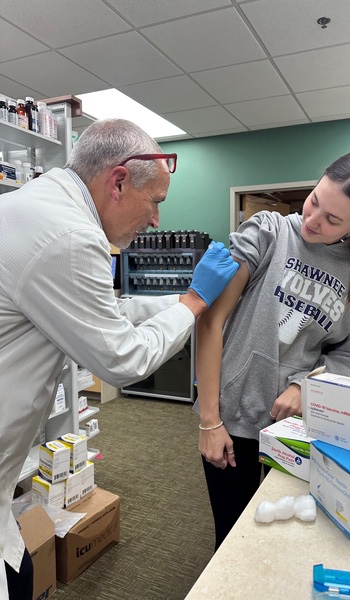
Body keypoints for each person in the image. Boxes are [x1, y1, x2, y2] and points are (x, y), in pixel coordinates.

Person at [0, 118, 238, 600]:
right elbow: (123, 359)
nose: (156, 221)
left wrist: (183, 298)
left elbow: (110, 312)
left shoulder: (40, 206)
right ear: (119, 181)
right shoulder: (69, 236)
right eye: (156, 203)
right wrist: (193, 302)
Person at [195, 150, 350, 549]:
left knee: (283, 539)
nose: (313, 219)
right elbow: (210, 322)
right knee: (232, 542)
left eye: (332, 219)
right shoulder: (269, 232)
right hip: (230, 420)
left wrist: (308, 385)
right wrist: (208, 419)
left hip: (295, 431)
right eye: (315, 200)